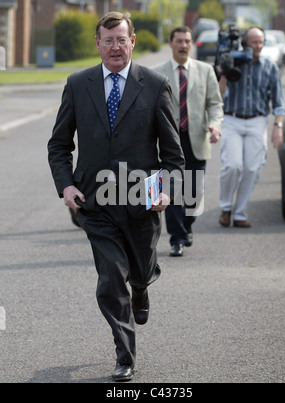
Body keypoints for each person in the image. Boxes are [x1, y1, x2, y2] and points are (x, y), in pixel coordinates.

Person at [48, 12, 185, 382]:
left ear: (133, 41)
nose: (114, 47)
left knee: (138, 271)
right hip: (95, 204)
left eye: (121, 40)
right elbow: (59, 145)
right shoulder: (78, 84)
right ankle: (125, 355)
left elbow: (173, 155)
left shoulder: (155, 85)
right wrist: (67, 186)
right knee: (110, 278)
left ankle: (142, 287)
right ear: (98, 44)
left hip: (142, 203)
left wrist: (166, 191)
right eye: (107, 40)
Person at [154, 27, 223, 257]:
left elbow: (215, 104)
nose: (184, 45)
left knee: (195, 192)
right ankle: (177, 238)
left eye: (187, 41)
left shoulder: (205, 71)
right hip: (168, 140)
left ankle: (187, 225)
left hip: (196, 139)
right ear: (171, 43)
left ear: (192, 44)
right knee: (172, 190)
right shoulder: (156, 73)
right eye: (179, 41)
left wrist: (215, 125)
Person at [218, 26, 285, 228]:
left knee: (252, 168)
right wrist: (224, 72)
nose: (258, 46)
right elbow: (219, 96)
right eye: (254, 42)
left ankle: (239, 213)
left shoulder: (270, 66)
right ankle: (226, 207)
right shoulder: (233, 61)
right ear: (245, 43)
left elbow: (279, 100)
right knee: (232, 165)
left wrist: (278, 126)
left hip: (257, 121)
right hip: (232, 119)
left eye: (261, 42)